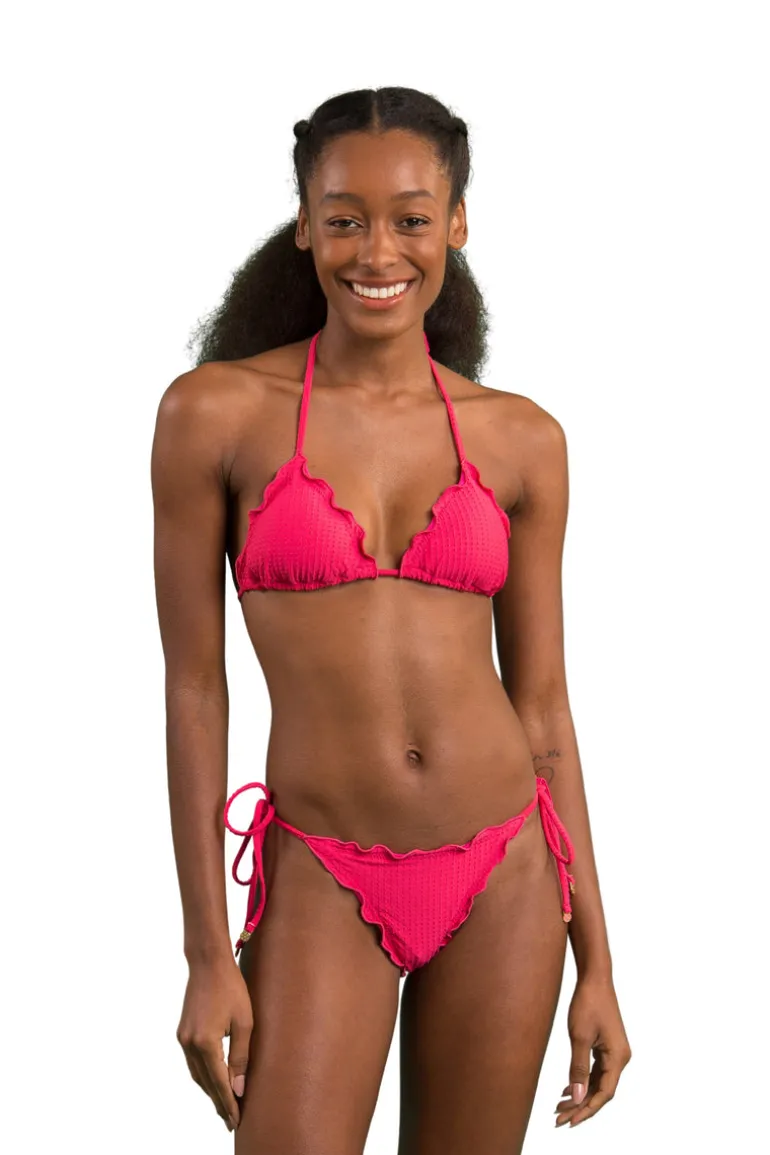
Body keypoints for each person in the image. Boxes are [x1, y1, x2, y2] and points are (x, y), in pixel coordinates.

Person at [151, 85, 631, 1153]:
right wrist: (206, 953)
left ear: (455, 223)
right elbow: (193, 688)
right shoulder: (214, 414)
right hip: (323, 867)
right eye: (345, 218)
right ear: (304, 225)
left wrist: (597, 961)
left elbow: (543, 707)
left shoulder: (521, 439)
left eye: (411, 217)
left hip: (506, 869)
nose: (378, 251)